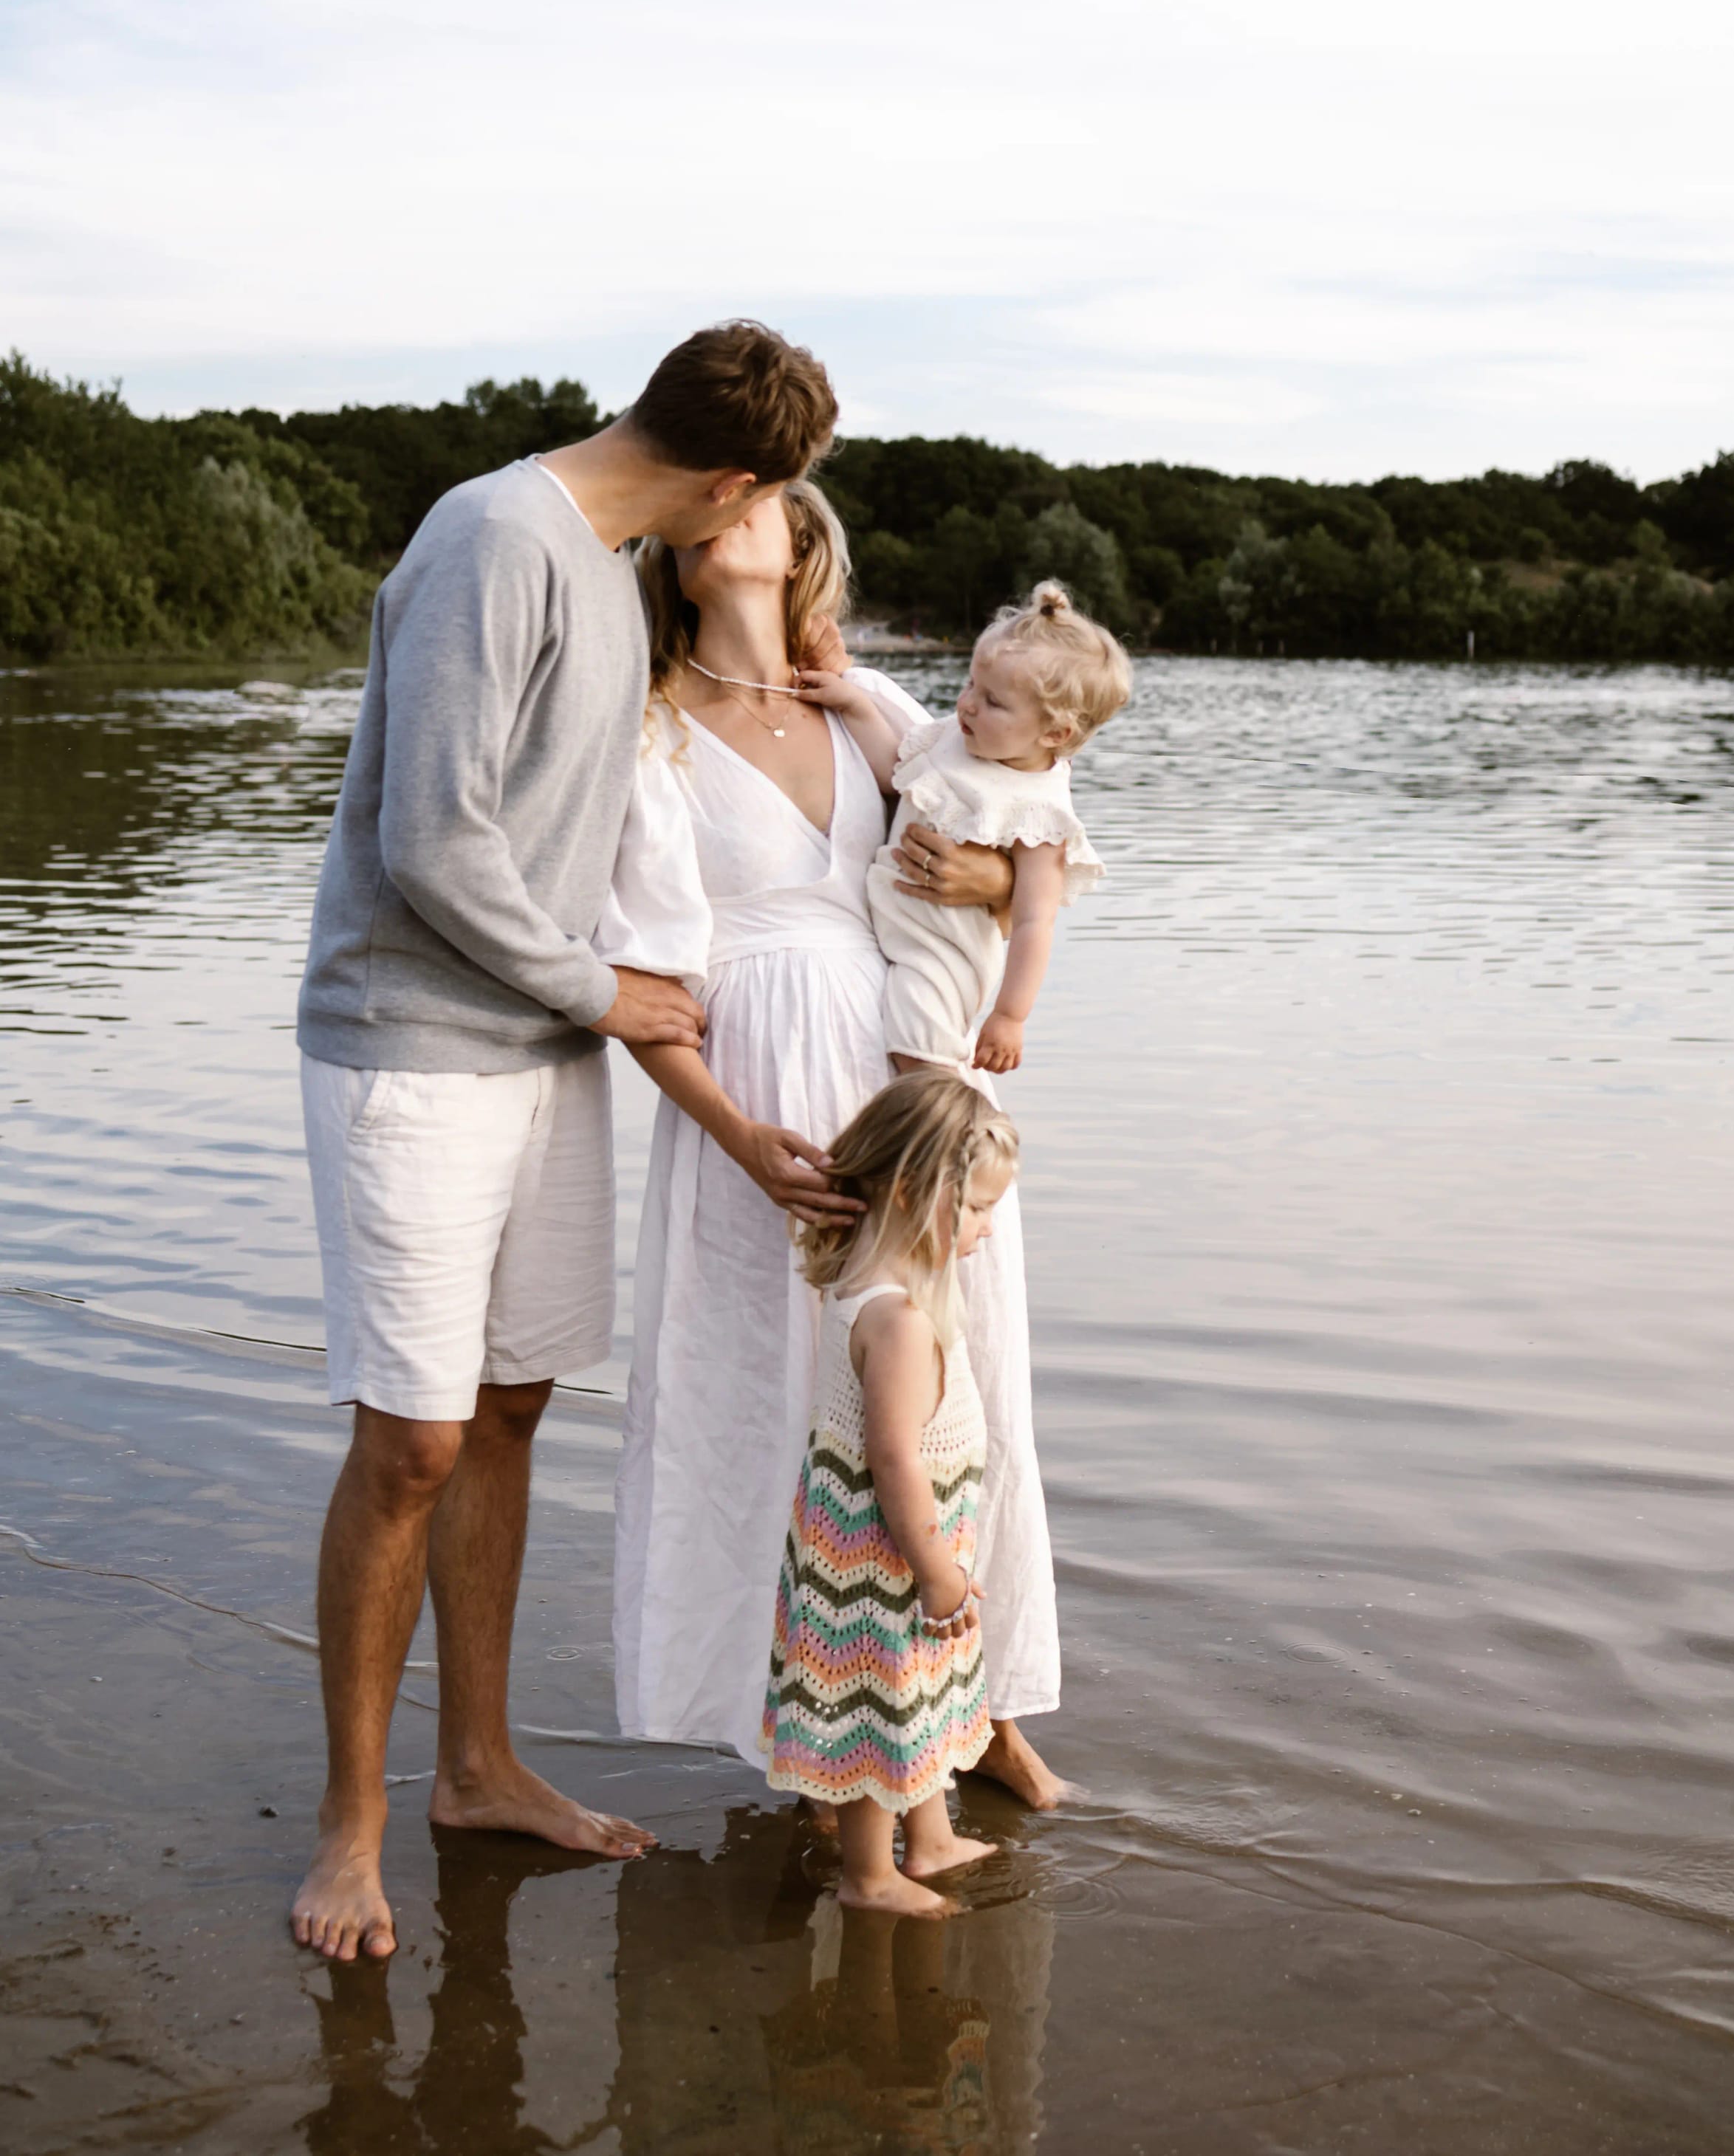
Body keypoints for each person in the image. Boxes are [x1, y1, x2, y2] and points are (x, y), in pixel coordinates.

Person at [289, 320, 837, 1966]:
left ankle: (474, 1768)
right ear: (728, 478)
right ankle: (353, 1822)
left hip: (549, 1051)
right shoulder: (489, 535)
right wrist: (607, 991)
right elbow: (430, 841)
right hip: (411, 1045)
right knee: (414, 1441)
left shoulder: (615, 566)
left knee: (513, 1408)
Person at [593, 481, 1067, 1808]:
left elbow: (1036, 843)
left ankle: (985, 1708)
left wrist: (985, 887)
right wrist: (740, 1136)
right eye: (705, 501)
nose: (724, 510)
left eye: (758, 498)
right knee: (792, 1406)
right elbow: (642, 981)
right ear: (678, 560)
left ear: (803, 541)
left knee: (968, 1396)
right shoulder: (648, 728)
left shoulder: (882, 714)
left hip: (918, 1081)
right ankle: (809, 1722)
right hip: (768, 1093)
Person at [761, 1071, 1017, 1916]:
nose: (984, 1230)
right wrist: (936, 1567)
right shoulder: (900, 1320)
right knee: (877, 1698)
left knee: (920, 1693)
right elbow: (895, 1457)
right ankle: (870, 1874)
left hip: (896, 1539)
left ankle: (932, 1836)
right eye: (975, 1209)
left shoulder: (875, 1288)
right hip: (883, 1552)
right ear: (912, 1192)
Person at [799, 580, 1132, 1075]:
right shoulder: (960, 739)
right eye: (971, 684)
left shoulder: (1040, 810)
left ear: (1055, 732)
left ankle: (934, 1128)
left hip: (943, 956)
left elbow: (1034, 922)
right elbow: (895, 769)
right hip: (883, 930)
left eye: (994, 702)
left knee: (920, 1059)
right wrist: (855, 706)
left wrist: (1009, 1015)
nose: (969, 704)